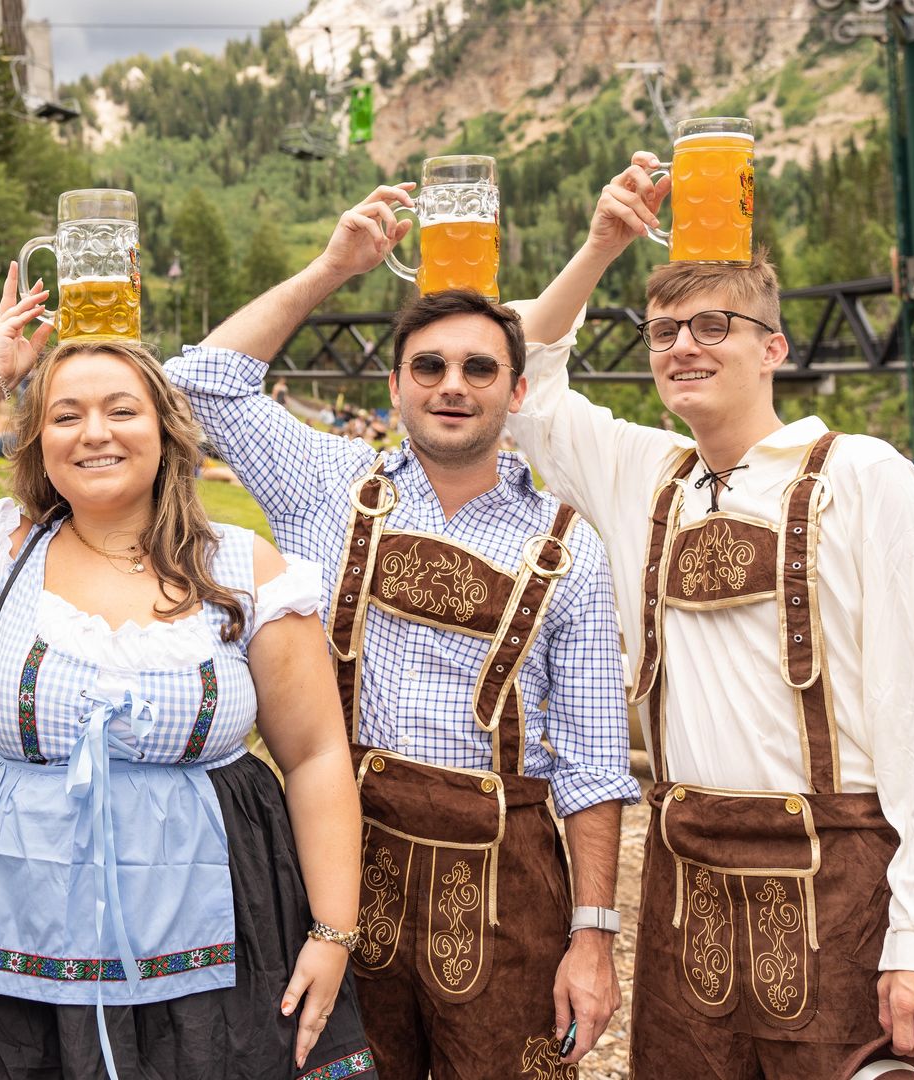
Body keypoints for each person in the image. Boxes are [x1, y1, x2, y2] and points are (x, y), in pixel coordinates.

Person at [505, 153, 914, 1079]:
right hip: (690, 885)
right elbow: (522, 371)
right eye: (662, 332)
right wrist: (603, 245)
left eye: (713, 325)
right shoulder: (643, 473)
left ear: (774, 347)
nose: (682, 346)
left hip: (842, 885)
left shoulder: (863, 475)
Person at [0, 266, 376, 1079]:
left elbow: (317, 757)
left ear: (166, 432)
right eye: (65, 415)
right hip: (12, 924)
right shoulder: (0, 550)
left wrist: (332, 933)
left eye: (123, 410)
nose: (95, 433)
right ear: (38, 441)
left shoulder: (245, 568)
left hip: (221, 934)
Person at [165, 186, 638, 1077]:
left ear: (518, 388)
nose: (452, 386)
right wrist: (334, 266)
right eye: (428, 367)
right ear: (395, 385)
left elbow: (593, 763)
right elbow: (196, 384)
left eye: (479, 369)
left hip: (509, 891)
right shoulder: (326, 479)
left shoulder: (568, 548)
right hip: (337, 869)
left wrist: (594, 939)